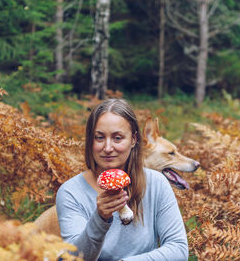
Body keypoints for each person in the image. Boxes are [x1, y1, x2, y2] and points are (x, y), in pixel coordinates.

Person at [56, 98, 188, 261]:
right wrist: (100, 219)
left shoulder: (156, 183)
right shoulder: (71, 192)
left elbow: (178, 249)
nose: (108, 147)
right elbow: (73, 259)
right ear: (90, 140)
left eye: (117, 138)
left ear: (133, 140)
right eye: (99, 137)